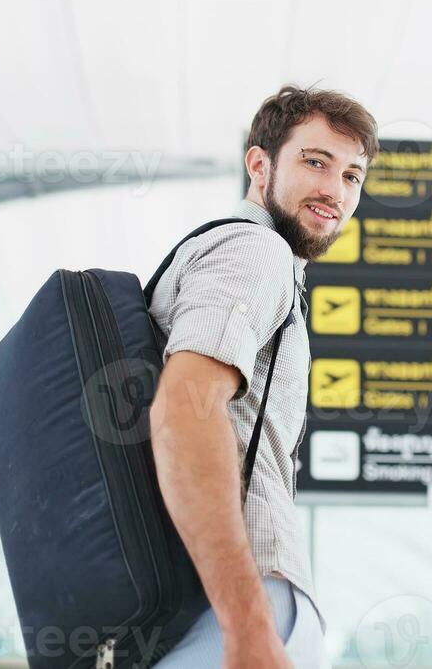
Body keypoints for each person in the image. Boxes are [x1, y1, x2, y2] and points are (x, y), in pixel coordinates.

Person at [148, 83, 379, 669]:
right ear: (259, 164)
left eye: (353, 176)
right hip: (236, 609)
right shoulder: (257, 252)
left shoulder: (232, 254)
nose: (335, 189)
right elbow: (185, 408)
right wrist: (247, 625)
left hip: (200, 608)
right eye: (315, 162)